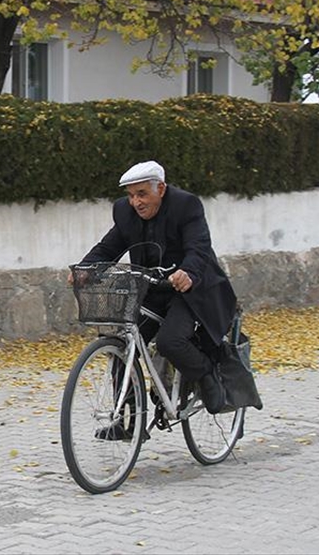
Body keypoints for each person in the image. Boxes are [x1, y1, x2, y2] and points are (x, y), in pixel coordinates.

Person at [75, 160, 236, 416]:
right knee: (121, 343)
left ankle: (207, 375)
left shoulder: (186, 205)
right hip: (152, 289)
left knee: (169, 341)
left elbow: (199, 246)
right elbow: (109, 247)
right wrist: (85, 268)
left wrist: (188, 273)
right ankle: (126, 420)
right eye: (130, 195)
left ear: (160, 189)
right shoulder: (125, 212)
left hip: (190, 292)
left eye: (142, 194)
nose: (135, 202)